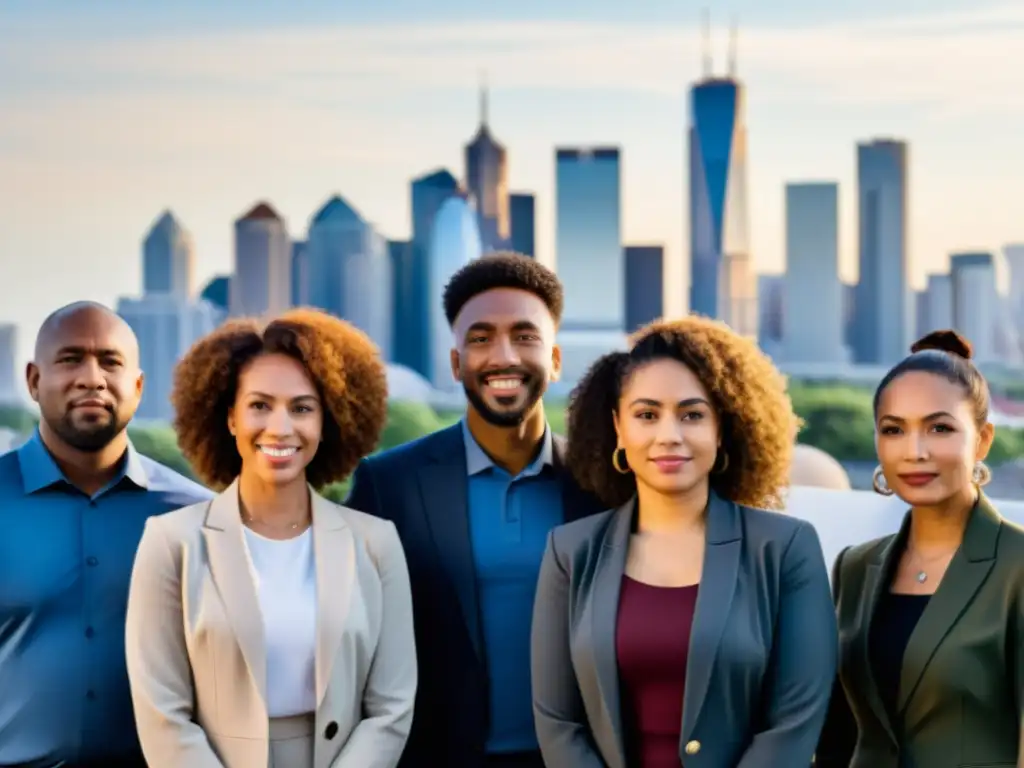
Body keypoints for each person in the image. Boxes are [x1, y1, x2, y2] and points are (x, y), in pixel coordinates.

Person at [531, 316, 838, 768]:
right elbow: (558, 723)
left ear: (721, 428)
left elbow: (796, 720)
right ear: (618, 427)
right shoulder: (570, 553)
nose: (669, 436)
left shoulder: (786, 549)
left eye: (692, 415)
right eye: (647, 415)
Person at [124, 309, 416, 768]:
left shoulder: (376, 543)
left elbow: (392, 707)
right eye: (260, 405)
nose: (280, 428)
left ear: (328, 421)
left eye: (302, 408)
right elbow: (162, 713)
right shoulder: (171, 542)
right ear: (230, 419)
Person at [346, 252, 604, 768]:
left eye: (524, 336)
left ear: (554, 359)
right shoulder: (390, 484)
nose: (502, 356)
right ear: (457, 362)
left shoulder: (605, 483)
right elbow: (350, 644)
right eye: (481, 338)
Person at [0, 301, 212, 768]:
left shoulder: (196, 517)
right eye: (71, 358)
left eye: (110, 362)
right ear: (34, 381)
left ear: (137, 387)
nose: (92, 378)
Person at [815, 330, 1024, 768]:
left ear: (983, 441)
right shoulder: (856, 567)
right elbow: (839, 731)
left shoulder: (1016, 567)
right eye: (894, 430)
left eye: (940, 428)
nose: (914, 451)